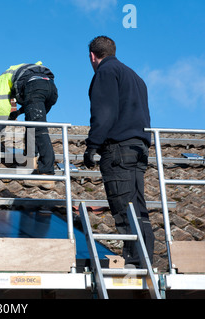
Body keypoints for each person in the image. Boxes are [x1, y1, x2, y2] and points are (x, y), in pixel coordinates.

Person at [83, 36, 154, 267]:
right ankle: (144, 257)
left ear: (93, 56)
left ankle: (134, 258)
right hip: (139, 147)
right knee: (137, 204)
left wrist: (93, 145)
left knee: (124, 204)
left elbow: (104, 113)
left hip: (119, 148)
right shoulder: (135, 77)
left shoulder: (106, 72)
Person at [0, 62, 58, 183]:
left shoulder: (3, 79)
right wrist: (18, 112)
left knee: (39, 129)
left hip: (35, 87)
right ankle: (31, 161)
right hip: (51, 88)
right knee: (32, 125)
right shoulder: (25, 71)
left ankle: (47, 173)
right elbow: (35, 98)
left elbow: (2, 107)